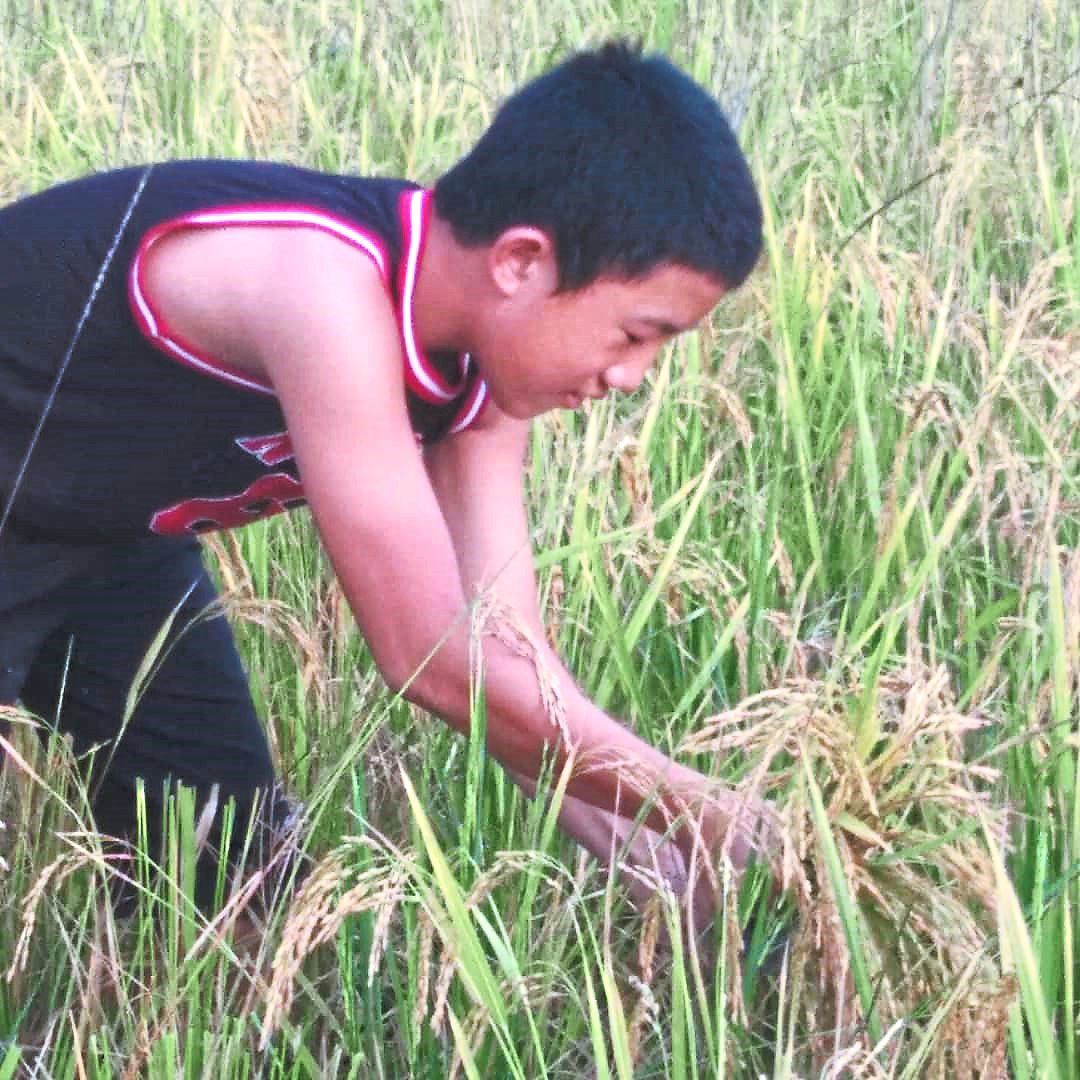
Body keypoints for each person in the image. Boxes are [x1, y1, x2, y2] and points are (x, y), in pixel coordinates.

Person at [0, 41, 773, 921]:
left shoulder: (489, 379)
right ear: (522, 261)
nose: (633, 377)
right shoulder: (319, 283)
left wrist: (640, 852)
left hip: (110, 543)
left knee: (231, 884)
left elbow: (505, 658)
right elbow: (432, 659)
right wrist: (727, 819)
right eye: (636, 335)